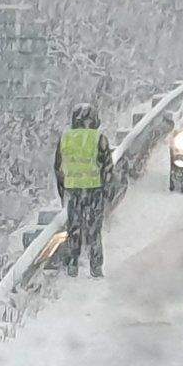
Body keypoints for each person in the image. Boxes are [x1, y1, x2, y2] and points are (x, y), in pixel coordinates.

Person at [54, 102, 114, 277]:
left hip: (74, 191)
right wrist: (108, 190)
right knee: (94, 230)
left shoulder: (65, 138)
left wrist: (62, 191)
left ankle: (73, 264)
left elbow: (58, 167)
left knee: (74, 228)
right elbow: (107, 167)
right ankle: (96, 267)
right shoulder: (99, 138)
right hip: (94, 189)